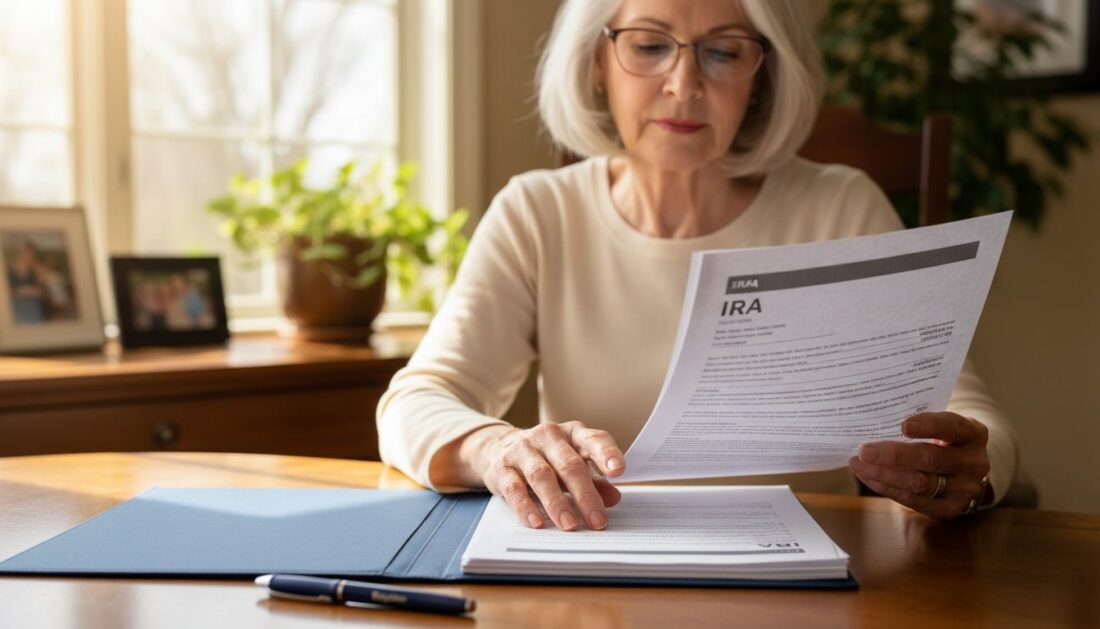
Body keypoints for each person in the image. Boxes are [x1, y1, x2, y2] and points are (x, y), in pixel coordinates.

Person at [378, 0, 1017, 530]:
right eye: (649, 46)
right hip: (598, 568)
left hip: (811, 581)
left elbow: (971, 417)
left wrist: (970, 468)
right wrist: (496, 447)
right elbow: (417, 401)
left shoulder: (839, 206)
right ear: (598, 62)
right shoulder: (538, 212)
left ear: (761, 75)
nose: (683, 85)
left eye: (725, 52)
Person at [7, 239, 48, 324]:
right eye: (26, 253)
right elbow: (6, 293)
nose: (28, 256)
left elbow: (42, 292)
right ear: (20, 253)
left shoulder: (36, 269)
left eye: (31, 254)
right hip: (16, 309)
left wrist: (41, 272)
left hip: (34, 308)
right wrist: (23, 291)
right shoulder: (10, 270)